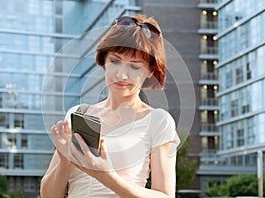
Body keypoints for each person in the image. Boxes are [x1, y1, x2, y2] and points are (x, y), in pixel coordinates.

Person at [40, 14, 180, 198]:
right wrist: (65, 162)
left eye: (135, 67)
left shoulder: (158, 121)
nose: (121, 75)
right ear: (104, 61)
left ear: (150, 71)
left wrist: (105, 175)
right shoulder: (79, 114)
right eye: (115, 61)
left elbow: (165, 196)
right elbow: (48, 195)